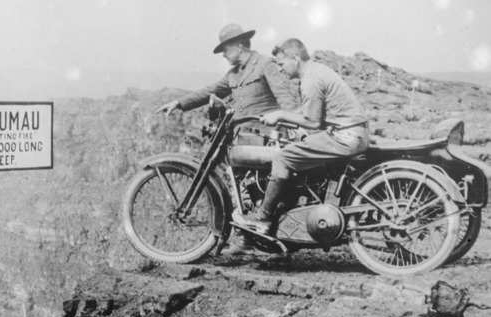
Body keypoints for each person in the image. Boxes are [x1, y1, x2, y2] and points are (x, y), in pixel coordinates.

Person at [232, 38, 369, 236]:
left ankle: (262, 218)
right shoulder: (317, 71)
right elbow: (316, 118)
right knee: (298, 146)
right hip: (351, 133)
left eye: (281, 64)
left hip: (344, 136)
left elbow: (313, 122)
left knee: (282, 157)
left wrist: (280, 115)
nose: (280, 69)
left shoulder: (310, 80)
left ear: (295, 58)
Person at [157, 23, 297, 145]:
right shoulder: (233, 74)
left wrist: (294, 130)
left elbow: (286, 100)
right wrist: (179, 102)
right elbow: (209, 91)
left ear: (239, 45)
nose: (223, 55)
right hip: (242, 139)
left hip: (267, 139)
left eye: (225, 49)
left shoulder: (265, 64)